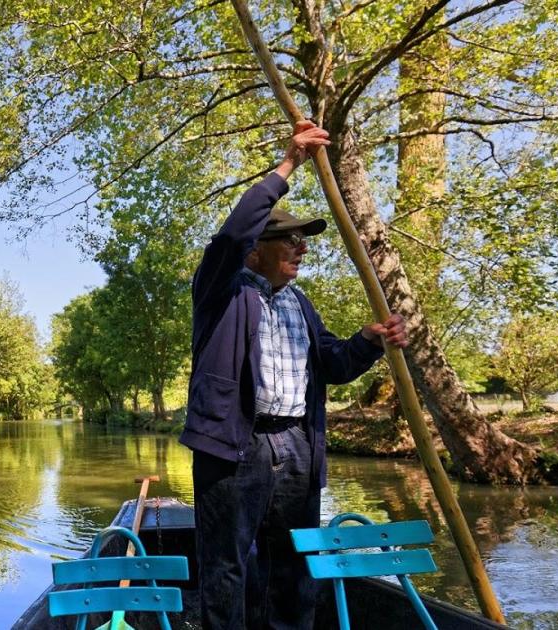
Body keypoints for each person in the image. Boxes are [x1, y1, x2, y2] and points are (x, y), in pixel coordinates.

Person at [180, 120, 408, 629]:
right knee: (227, 568)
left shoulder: (300, 304)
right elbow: (231, 233)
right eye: (289, 239)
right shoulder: (221, 291)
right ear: (256, 249)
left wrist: (369, 341)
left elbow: (333, 364)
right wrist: (289, 164)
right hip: (233, 447)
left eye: (304, 240)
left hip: (298, 447)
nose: (301, 247)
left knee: (295, 567)